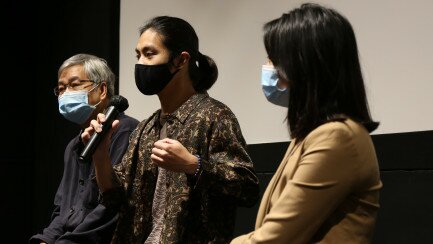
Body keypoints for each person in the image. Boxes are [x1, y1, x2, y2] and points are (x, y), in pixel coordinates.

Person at [81, 16, 260, 243]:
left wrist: (193, 165)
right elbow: (115, 197)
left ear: (181, 60)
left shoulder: (214, 115)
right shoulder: (145, 128)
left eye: (150, 54)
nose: (141, 63)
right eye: (138, 55)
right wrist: (100, 156)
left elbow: (247, 188)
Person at [231, 3, 382, 243]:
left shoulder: (337, 137)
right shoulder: (313, 134)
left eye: (275, 59)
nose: (270, 68)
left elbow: (275, 238)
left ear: (304, 65)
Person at [30, 54, 139, 244]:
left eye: (74, 85)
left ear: (102, 89)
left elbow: (113, 208)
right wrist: (45, 240)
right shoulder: (73, 146)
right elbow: (62, 210)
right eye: (61, 89)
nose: (65, 94)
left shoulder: (124, 131)